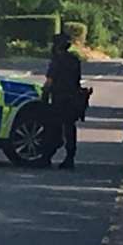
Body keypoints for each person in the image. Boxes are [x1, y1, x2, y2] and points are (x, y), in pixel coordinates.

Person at [42, 32, 83, 170]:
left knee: (53, 128)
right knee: (70, 128)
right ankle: (70, 157)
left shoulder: (57, 61)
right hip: (73, 98)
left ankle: (46, 156)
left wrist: (43, 96)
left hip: (59, 99)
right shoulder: (74, 60)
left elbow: (49, 82)